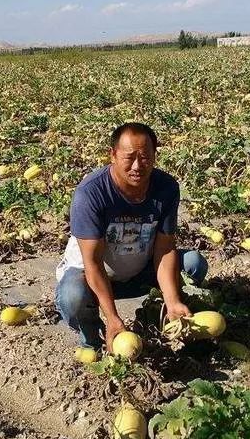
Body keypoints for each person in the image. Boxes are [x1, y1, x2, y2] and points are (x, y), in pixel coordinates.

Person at [55, 122, 207, 351]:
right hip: (93, 277)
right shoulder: (91, 193)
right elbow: (93, 264)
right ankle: (92, 340)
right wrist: (112, 317)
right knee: (72, 296)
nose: (137, 165)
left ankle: (162, 316)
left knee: (193, 263)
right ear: (113, 155)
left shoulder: (166, 188)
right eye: (129, 157)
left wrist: (173, 299)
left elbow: (164, 249)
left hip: (138, 272)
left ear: (155, 155)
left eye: (145, 157)